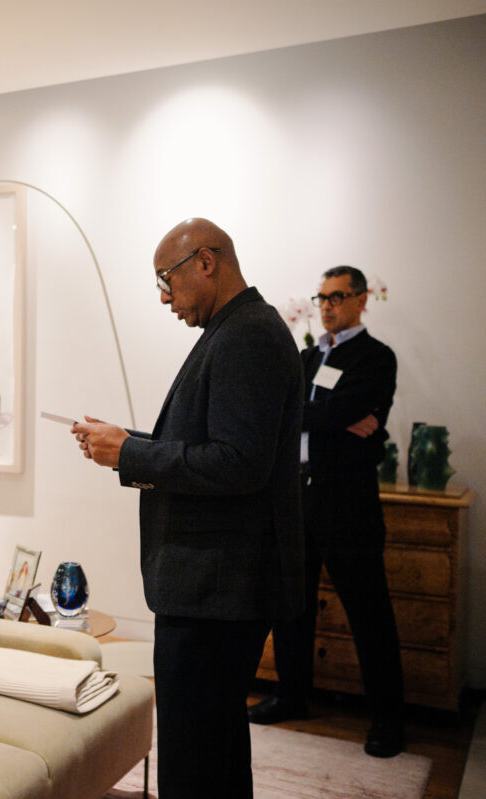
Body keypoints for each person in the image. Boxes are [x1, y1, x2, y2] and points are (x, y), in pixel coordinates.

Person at [72, 219, 303, 799]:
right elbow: (212, 445)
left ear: (205, 261)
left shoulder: (247, 334)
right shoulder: (239, 329)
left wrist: (131, 454)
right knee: (214, 749)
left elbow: (238, 463)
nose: (163, 296)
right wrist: (126, 443)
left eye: (166, 279)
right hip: (216, 587)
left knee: (193, 759)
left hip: (217, 588)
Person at [247, 265, 405, 757]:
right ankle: (291, 695)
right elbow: (280, 409)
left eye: (337, 297)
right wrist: (335, 419)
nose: (327, 306)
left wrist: (323, 417)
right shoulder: (308, 356)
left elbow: (332, 410)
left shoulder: (376, 358)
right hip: (297, 497)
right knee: (291, 606)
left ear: (361, 300)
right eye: (322, 298)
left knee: (369, 613)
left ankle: (387, 720)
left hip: (347, 502)